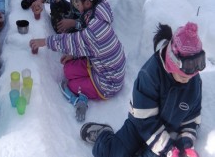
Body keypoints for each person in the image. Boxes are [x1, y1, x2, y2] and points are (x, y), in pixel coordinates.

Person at [80, 22, 205, 157]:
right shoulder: (150, 74)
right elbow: (144, 120)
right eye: (182, 76)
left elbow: (191, 119)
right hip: (139, 125)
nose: (187, 79)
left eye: (191, 76)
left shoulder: (193, 81)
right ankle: (104, 136)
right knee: (114, 153)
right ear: (172, 63)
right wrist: (168, 149)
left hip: (167, 132)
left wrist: (185, 146)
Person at [29, 0, 126, 122]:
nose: (75, 4)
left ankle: (80, 100)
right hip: (103, 65)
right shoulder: (98, 10)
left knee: (70, 84)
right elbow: (89, 46)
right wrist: (74, 55)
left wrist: (43, 42)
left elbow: (70, 41)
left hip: (108, 83)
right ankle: (85, 84)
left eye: (77, 2)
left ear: (88, 3)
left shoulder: (95, 28)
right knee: (68, 69)